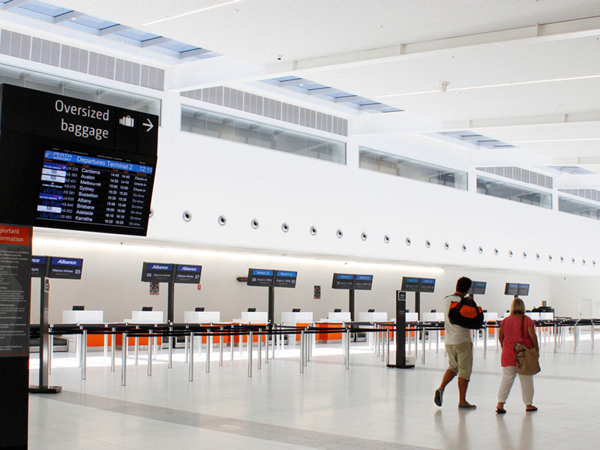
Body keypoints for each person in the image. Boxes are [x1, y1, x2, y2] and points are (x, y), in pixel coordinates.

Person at [434, 276, 476, 409]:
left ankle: (441, 388)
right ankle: (462, 400)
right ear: (467, 289)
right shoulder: (465, 301)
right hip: (463, 340)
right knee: (464, 371)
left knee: (453, 366)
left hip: (449, 341)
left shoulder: (447, 300)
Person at [496, 297, 539, 414]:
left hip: (508, 353)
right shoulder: (527, 320)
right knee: (526, 379)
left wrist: (505, 347)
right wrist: (536, 349)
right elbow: (532, 335)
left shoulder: (505, 321)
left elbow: (501, 337)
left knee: (507, 379)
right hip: (523, 354)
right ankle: (528, 404)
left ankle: (500, 403)